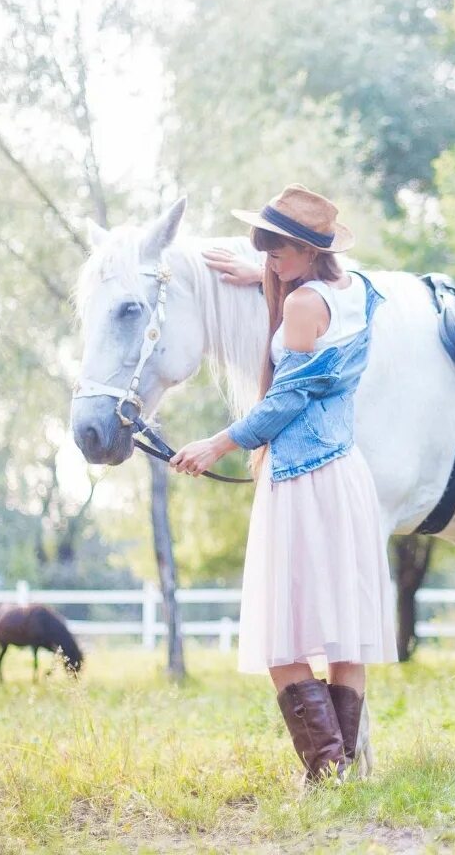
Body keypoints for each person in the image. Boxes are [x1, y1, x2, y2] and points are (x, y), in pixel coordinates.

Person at [169, 184, 399, 786]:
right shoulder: (362, 292)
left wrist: (216, 444)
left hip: (303, 479)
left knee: (283, 641)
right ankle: (342, 772)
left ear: (305, 251)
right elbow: (323, 309)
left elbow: (285, 401)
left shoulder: (302, 306)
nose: (269, 259)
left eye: (276, 251)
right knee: (345, 634)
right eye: (264, 250)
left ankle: (325, 774)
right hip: (346, 472)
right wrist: (260, 276)